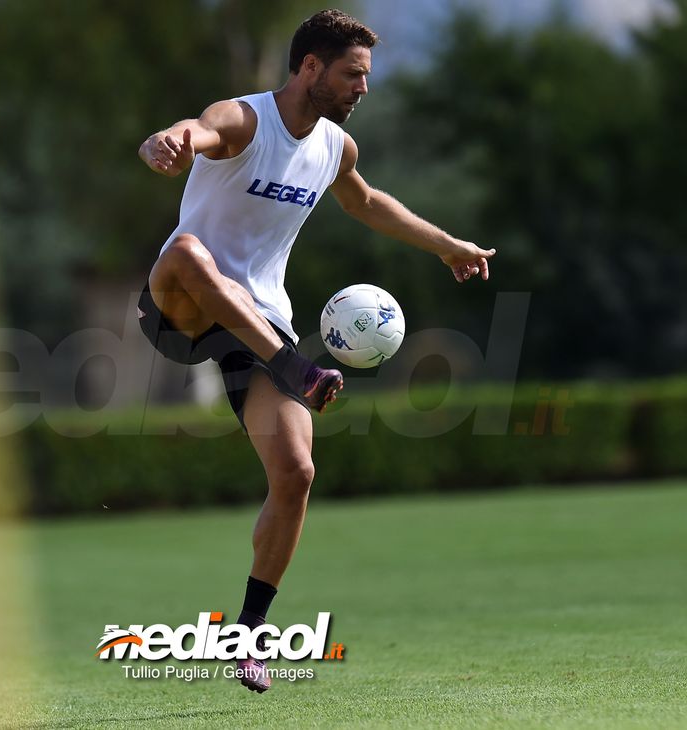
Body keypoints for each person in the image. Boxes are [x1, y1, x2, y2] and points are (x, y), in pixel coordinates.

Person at [136, 10, 496, 693]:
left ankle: (247, 630)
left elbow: (366, 204)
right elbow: (198, 130)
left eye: (367, 76)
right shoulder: (245, 120)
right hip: (181, 308)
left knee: (297, 473)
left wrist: (447, 244)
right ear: (309, 68)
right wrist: (168, 141)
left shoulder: (335, 147)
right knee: (187, 250)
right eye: (353, 74)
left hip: (260, 327)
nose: (364, 88)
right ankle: (292, 365)